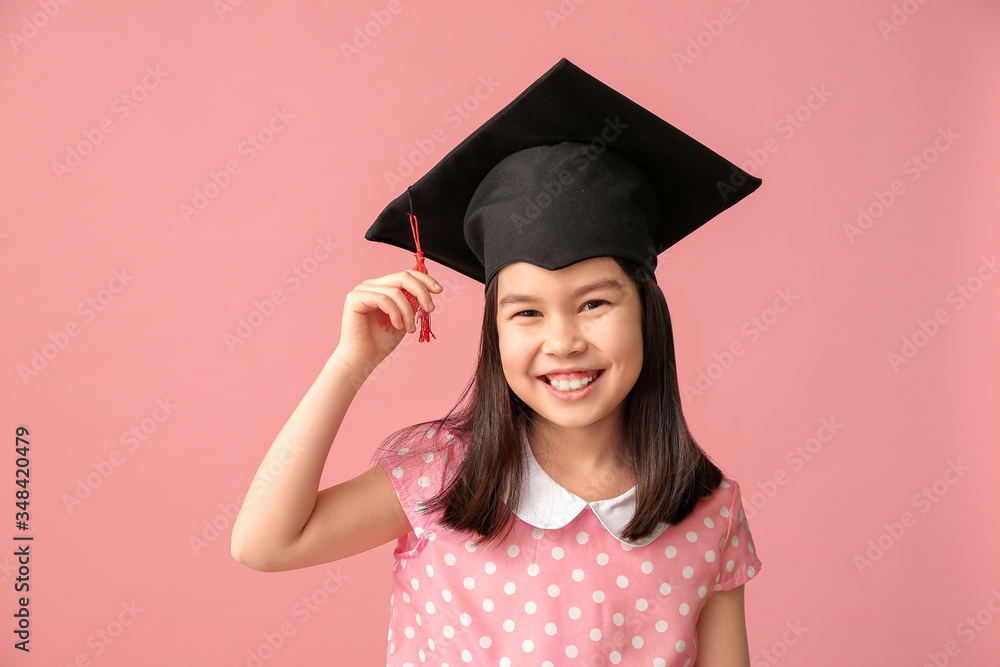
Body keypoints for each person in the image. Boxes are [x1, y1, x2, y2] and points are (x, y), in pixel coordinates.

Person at [232, 58, 764, 666]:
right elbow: (264, 543)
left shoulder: (708, 509)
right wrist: (350, 364)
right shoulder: (443, 476)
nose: (562, 341)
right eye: (527, 313)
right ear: (495, 333)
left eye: (593, 302)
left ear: (647, 311)